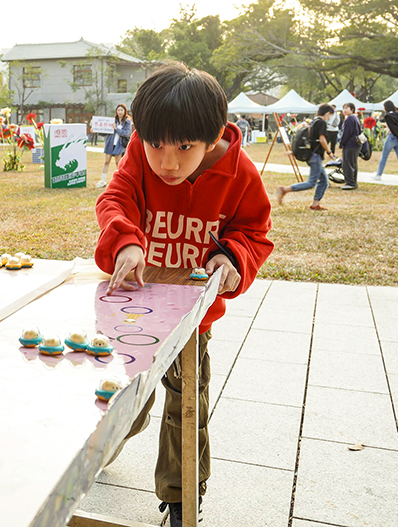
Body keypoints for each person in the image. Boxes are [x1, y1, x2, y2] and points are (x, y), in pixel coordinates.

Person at [95, 62, 272, 527]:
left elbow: (254, 229)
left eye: (184, 148)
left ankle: (181, 497)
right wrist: (127, 241)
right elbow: (115, 198)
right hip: (137, 303)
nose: (167, 162)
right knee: (129, 393)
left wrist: (233, 257)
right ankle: (103, 442)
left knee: (186, 404)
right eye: (155, 145)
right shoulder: (139, 152)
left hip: (193, 317)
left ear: (213, 136)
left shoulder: (241, 174)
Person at [277, 105, 335, 210]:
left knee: (324, 181)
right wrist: (329, 152)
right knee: (311, 183)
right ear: (327, 113)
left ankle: (315, 204)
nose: (330, 117)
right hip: (315, 156)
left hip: (311, 155)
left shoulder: (314, 122)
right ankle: (284, 189)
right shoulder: (321, 123)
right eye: (331, 115)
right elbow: (322, 139)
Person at [96, 103, 131, 188]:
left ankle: (118, 182)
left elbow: (126, 133)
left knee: (118, 163)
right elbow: (105, 131)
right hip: (110, 143)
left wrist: (117, 129)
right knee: (106, 161)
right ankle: (103, 181)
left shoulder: (127, 121)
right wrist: (96, 129)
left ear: (124, 111)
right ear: (116, 111)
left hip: (120, 144)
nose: (120, 112)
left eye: (121, 110)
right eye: (118, 110)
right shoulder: (112, 120)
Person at [338, 102, 363, 190]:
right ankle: (353, 181)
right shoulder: (355, 118)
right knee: (353, 163)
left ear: (352, 109)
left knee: (347, 164)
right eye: (343, 108)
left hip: (350, 144)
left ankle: (350, 182)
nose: (344, 110)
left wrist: (341, 143)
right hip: (355, 144)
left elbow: (346, 133)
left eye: (347, 108)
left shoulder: (349, 119)